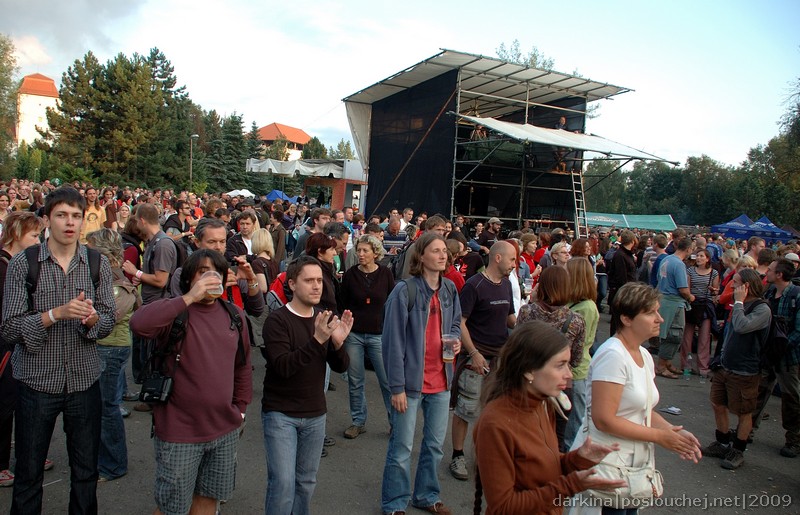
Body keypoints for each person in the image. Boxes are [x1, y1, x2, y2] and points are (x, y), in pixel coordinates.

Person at [1, 186, 116, 514]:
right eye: (62, 215)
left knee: (85, 474)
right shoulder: (24, 264)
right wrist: (55, 315)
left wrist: (94, 319)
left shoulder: (96, 263)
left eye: (76, 216)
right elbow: (9, 328)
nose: (69, 223)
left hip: (83, 381)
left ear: (83, 221)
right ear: (47, 220)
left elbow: (108, 319)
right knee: (28, 474)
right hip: (37, 383)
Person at [130, 249, 253, 514]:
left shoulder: (235, 316)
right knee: (172, 508)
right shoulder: (176, 311)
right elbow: (139, 324)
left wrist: (240, 409)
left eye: (216, 272)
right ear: (188, 279)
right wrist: (189, 298)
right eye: (202, 272)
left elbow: (242, 367)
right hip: (179, 432)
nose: (211, 277)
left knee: (209, 500)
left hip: (224, 429)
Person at [568, 282, 702, 514]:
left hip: (631, 469)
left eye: (657, 311)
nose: (659, 318)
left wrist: (674, 432)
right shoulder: (613, 355)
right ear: (627, 319)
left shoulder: (643, 355)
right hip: (607, 468)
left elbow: (641, 409)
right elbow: (604, 419)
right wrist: (660, 437)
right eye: (650, 313)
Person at [473, 321, 626, 515]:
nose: (569, 374)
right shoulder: (495, 423)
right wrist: (570, 486)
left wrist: (576, 460)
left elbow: (540, 469)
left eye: (568, 364)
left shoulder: (543, 403)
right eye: (560, 365)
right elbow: (503, 507)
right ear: (528, 370)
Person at [261, 256, 352, 515]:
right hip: (281, 414)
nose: (316, 286)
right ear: (292, 283)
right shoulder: (277, 321)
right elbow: (283, 367)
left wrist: (337, 343)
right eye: (309, 280)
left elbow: (341, 367)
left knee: (306, 483)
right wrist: (318, 339)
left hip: (315, 414)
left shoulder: (323, 318)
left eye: (319, 281)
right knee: (282, 484)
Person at [381, 232, 461, 515]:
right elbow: (392, 343)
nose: (443, 255)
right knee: (402, 447)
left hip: (441, 381)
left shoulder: (450, 289)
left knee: (434, 446)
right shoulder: (405, 290)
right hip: (410, 384)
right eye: (436, 250)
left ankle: (427, 496)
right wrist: (397, 387)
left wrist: (456, 342)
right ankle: (394, 503)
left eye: (444, 251)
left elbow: (454, 328)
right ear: (421, 256)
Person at [449, 241, 517, 481]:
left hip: (499, 360)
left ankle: (486, 456)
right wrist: (474, 353)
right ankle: (458, 455)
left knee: (494, 412)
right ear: (498, 258)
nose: (514, 264)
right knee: (466, 409)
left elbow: (510, 319)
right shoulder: (474, 286)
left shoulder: (507, 285)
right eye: (511, 259)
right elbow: (461, 324)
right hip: (475, 360)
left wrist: (529, 326)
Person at [85, 228, 140, 481]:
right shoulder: (109, 274)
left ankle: (113, 465)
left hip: (110, 346)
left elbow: (110, 317)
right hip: (110, 345)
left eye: (89, 247)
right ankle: (105, 460)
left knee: (107, 408)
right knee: (104, 406)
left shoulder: (114, 278)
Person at [702, 269, 770, 470]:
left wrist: (738, 303)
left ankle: (738, 450)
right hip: (725, 366)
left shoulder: (761, 309)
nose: (731, 285)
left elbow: (741, 326)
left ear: (746, 286)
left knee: (744, 412)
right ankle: (722, 443)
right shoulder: (738, 305)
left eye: (736, 282)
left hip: (745, 370)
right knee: (718, 404)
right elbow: (731, 332)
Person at [0, 212, 47, 488]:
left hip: (16, 342)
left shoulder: (19, 263)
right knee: (6, 404)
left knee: (19, 401)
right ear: (17, 235)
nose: (38, 241)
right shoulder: (4, 266)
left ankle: (27, 455)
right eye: (33, 236)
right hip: (6, 344)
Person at [518, 266, 586, 449]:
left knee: (524, 435)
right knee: (557, 438)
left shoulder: (527, 312)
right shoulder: (576, 320)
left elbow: (516, 347)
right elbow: (577, 359)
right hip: (561, 385)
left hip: (529, 381)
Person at [339, 235, 395, 439]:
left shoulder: (386, 274)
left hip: (379, 335)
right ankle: (358, 421)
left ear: (376, 253)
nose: (360, 254)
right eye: (359, 250)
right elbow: (342, 302)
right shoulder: (351, 274)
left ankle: (395, 423)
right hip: (354, 334)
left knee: (387, 381)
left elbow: (392, 302)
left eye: (365, 251)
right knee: (355, 380)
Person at [751, 258, 800, 458]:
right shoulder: (770, 292)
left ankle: (794, 439)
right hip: (769, 353)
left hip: (789, 357)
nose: (766, 273)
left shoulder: (796, 296)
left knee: (791, 397)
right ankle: (747, 431)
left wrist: (781, 347)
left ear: (779, 274)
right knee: (759, 392)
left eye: (770, 270)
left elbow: (798, 331)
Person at [564, 258, 600, 450]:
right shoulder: (573, 302)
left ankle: (572, 453)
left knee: (574, 418)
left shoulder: (586, 307)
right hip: (569, 368)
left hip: (577, 370)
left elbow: (578, 342)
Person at [680, 249, 719, 378]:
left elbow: (715, 292)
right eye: (697, 256)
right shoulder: (690, 270)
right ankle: (685, 365)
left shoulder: (714, 273)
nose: (698, 258)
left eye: (701, 256)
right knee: (687, 337)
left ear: (707, 258)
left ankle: (703, 366)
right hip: (693, 304)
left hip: (705, 306)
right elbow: (688, 288)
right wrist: (690, 298)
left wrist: (713, 290)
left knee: (704, 338)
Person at [607, 230, 637, 335]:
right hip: (622, 294)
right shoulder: (621, 255)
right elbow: (621, 277)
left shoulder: (625, 254)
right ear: (633, 241)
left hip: (625, 292)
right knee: (618, 323)